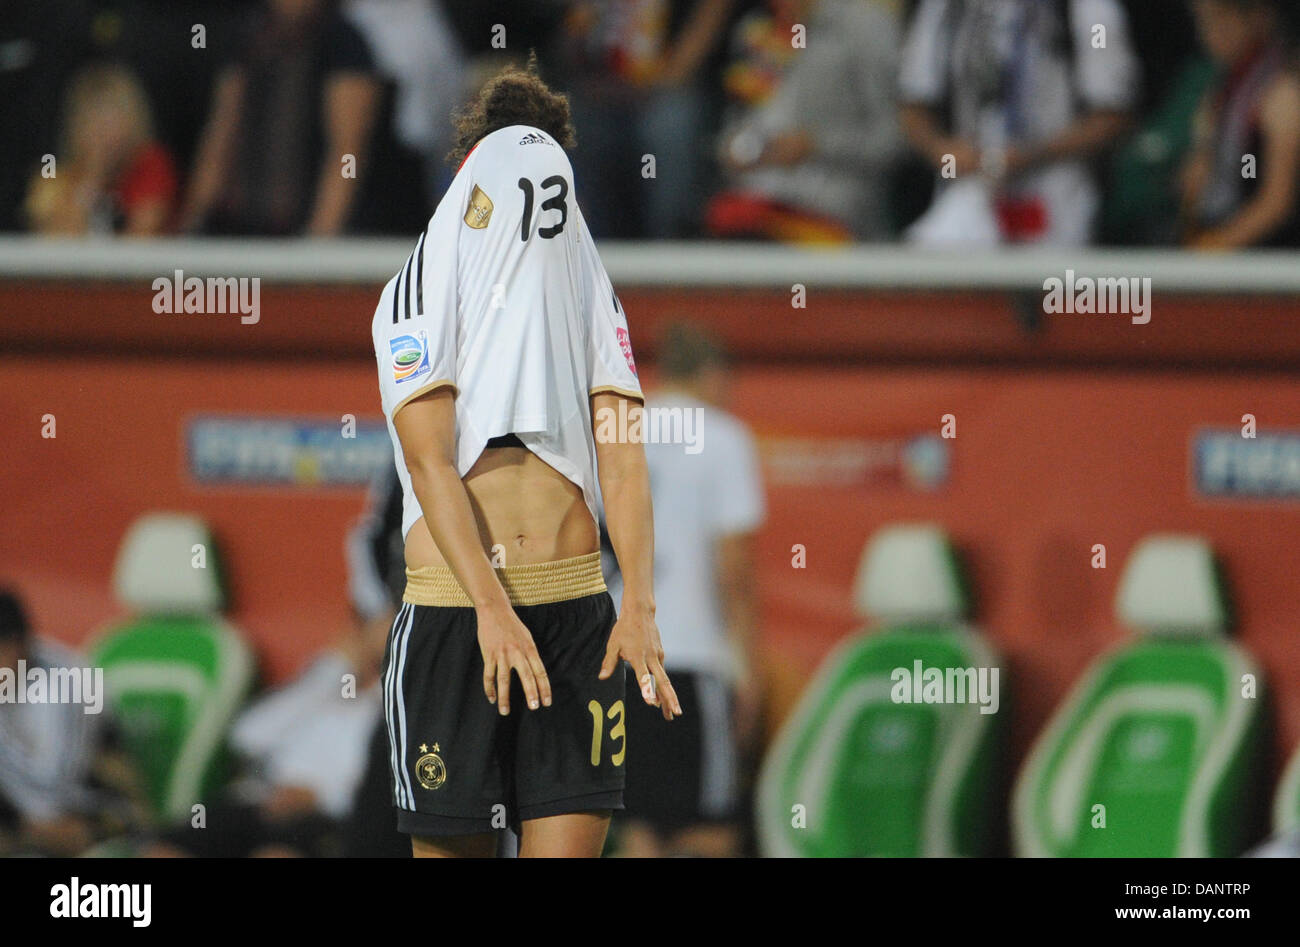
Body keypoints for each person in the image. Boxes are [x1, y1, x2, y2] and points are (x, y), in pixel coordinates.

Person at [370, 57, 680, 859]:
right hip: (454, 617)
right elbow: (430, 464)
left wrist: (639, 599)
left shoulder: (589, 286)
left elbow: (622, 454)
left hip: (577, 614)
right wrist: (491, 609)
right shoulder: (414, 290)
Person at [609, 324, 766, 857]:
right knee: (712, 828)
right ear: (712, 376)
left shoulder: (616, 431)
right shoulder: (724, 438)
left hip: (620, 663)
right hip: (693, 662)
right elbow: (733, 572)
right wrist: (748, 667)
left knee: (640, 829)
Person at [899, 0, 1140, 246]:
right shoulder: (945, 6)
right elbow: (913, 104)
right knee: (928, 270)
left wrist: (1026, 155)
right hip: (969, 193)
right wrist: (945, 151)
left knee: (1045, 280)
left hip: (1056, 199)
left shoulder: (1089, 9)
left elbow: (1113, 115)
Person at [179, 0, 383, 236]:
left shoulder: (345, 44)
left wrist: (320, 239)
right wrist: (194, 222)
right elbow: (221, 134)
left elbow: (347, 151)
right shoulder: (248, 37)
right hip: (241, 220)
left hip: (303, 223)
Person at [708, 0, 905, 242]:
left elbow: (895, 138)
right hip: (746, 201)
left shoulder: (866, 26)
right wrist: (732, 148)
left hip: (828, 206)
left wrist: (815, 146)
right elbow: (734, 122)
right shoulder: (754, 25)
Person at [1180, 0, 1300, 249]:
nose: (1209, 33)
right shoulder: (1223, 88)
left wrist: (1213, 248)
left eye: (1219, 20)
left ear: (1258, 17)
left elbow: (1277, 203)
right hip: (1219, 232)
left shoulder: (1282, 93)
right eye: (1202, 21)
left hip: (1268, 260)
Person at [24, 62, 179, 236]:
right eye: (94, 120)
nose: (103, 132)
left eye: (111, 120)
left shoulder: (150, 164)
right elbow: (55, 245)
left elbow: (141, 239)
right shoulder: (53, 175)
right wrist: (92, 176)